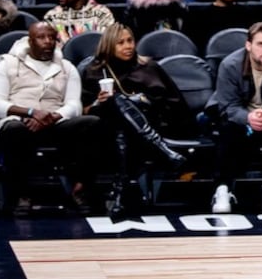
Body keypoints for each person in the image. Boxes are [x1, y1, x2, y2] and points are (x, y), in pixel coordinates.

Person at [0, 22, 100, 216]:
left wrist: (53, 116)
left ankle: (80, 190)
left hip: (56, 123)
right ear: (30, 41)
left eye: (52, 38)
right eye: (41, 38)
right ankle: (22, 194)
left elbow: (75, 105)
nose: (48, 42)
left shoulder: (66, 67)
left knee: (92, 123)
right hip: (20, 122)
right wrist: (30, 113)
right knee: (15, 130)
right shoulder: (7, 64)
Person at [79, 23, 187, 219]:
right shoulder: (94, 71)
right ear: (109, 45)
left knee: (123, 122)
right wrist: (98, 102)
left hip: (153, 121)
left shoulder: (149, 66)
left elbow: (175, 103)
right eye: (120, 43)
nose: (128, 46)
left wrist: (142, 100)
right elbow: (83, 109)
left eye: (130, 41)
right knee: (117, 104)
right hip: (105, 130)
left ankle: (119, 194)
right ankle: (162, 150)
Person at [208, 21, 262, 214]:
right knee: (226, 128)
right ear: (248, 45)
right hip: (239, 119)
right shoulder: (230, 65)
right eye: (261, 44)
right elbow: (227, 105)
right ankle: (222, 189)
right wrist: (248, 117)